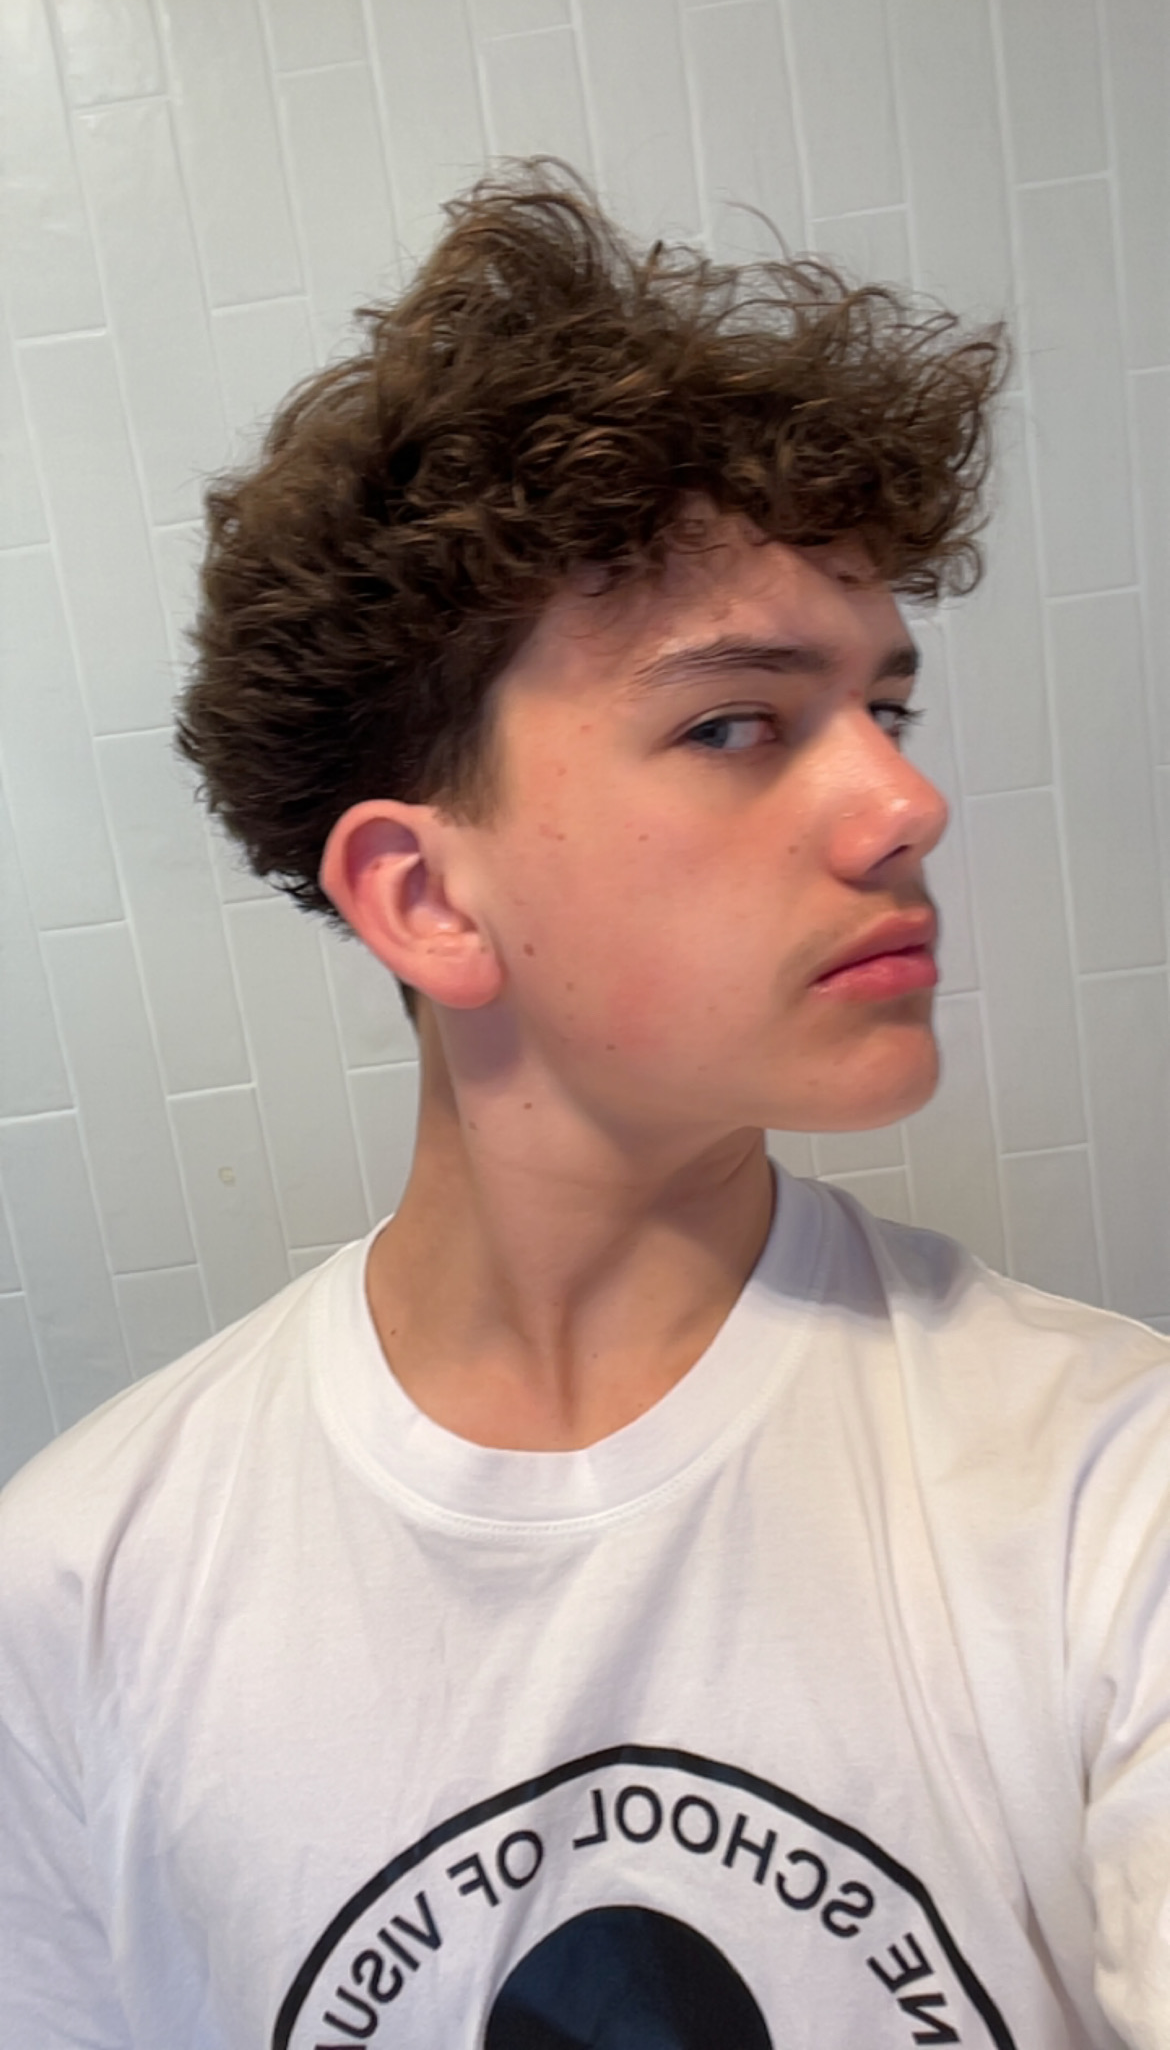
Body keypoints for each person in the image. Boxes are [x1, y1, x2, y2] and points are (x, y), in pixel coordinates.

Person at [1, 162, 1167, 2050]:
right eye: (736, 723)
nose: (903, 805)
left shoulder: (1109, 1494)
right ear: (424, 898)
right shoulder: (78, 1595)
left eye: (885, 710)